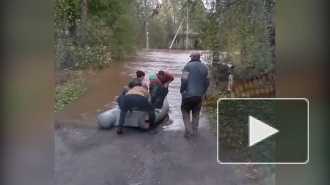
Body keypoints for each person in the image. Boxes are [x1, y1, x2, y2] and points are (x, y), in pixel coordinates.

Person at [180, 51, 210, 139]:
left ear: (192, 57)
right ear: (199, 57)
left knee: (185, 111)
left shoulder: (187, 66)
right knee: (196, 113)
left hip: (187, 95)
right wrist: (203, 91)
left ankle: (188, 130)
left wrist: (182, 90)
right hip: (199, 95)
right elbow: (208, 81)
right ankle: (195, 131)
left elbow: (184, 80)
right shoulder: (205, 68)